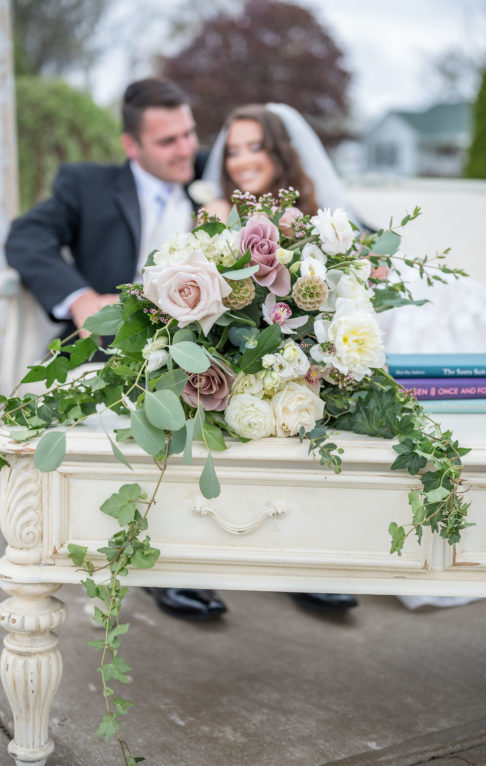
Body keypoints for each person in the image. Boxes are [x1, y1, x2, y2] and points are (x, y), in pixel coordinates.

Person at [5, 76, 227, 621]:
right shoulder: (85, 184)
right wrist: (80, 298)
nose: (186, 150)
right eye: (167, 140)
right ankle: (156, 566)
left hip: (204, 349)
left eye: (189, 133)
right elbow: (24, 237)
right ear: (132, 145)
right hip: (112, 348)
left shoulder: (213, 176)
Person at [203, 103, 360, 612]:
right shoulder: (214, 216)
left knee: (309, 416)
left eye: (255, 147)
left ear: (279, 152)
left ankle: (303, 559)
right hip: (230, 351)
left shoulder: (313, 217)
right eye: (232, 151)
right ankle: (200, 561)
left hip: (301, 351)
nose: (241, 161)